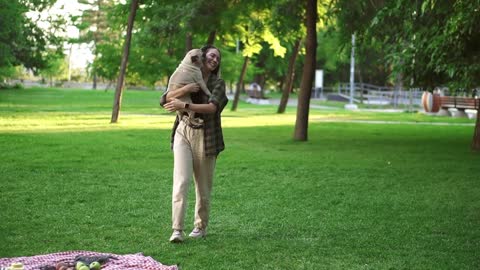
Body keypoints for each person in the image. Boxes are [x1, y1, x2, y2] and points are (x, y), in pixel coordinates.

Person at [160, 45, 228, 243]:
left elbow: (212, 108)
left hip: (206, 137)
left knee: (203, 186)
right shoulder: (185, 74)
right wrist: (186, 90)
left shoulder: (218, 83)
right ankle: (177, 230)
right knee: (181, 182)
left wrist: (184, 105)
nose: (214, 59)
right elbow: (164, 98)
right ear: (202, 56)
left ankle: (200, 226)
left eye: (218, 58)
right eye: (212, 55)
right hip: (183, 130)